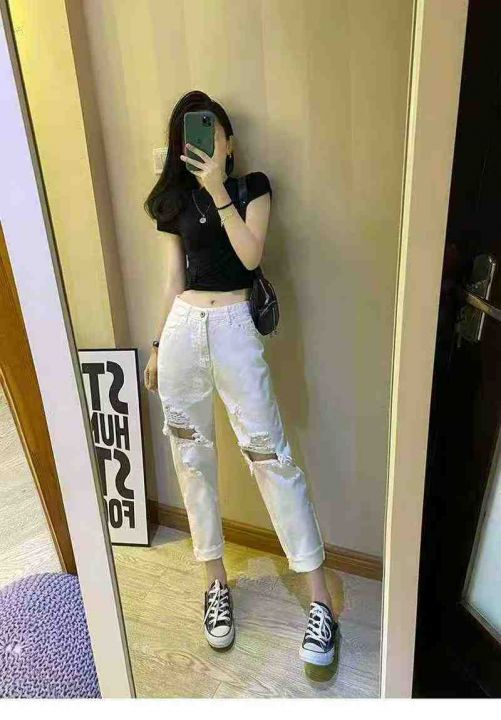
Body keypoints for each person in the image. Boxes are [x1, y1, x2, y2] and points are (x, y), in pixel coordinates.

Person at [144, 90, 338, 665]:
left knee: (270, 456)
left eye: (213, 132)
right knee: (191, 459)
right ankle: (215, 585)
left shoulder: (253, 188)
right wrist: (157, 346)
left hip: (234, 327)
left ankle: (321, 602)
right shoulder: (172, 203)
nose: (204, 144)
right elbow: (174, 280)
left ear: (228, 141)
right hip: (183, 331)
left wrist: (217, 191)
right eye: (190, 138)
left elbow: (251, 257)